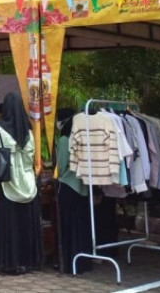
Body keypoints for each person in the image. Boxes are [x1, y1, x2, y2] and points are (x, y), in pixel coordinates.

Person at [0, 93, 42, 274]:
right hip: (27, 184)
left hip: (6, 183)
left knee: (8, 225)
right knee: (25, 224)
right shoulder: (28, 131)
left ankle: (10, 262)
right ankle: (28, 261)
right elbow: (31, 157)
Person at [54, 109, 92, 274]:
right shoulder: (84, 138)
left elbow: (61, 167)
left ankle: (69, 262)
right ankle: (82, 262)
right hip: (82, 187)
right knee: (81, 226)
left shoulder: (64, 140)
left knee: (67, 227)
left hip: (68, 186)